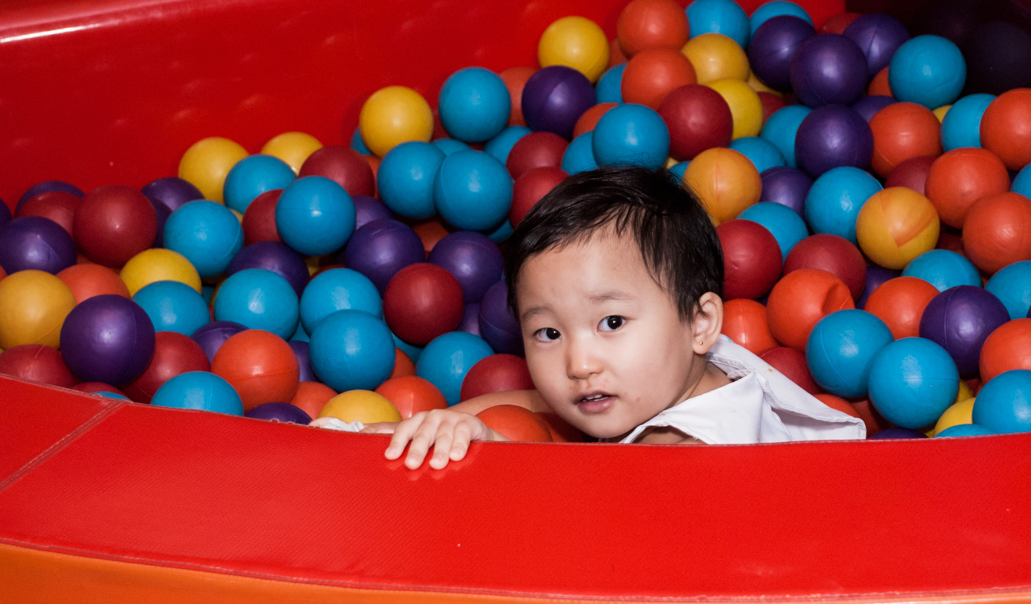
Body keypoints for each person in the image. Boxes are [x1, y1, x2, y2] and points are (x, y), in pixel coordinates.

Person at [313, 167, 864, 466]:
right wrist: (384, 431)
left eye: (612, 323)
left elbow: (595, 525)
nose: (579, 361)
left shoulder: (689, 454)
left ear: (701, 323)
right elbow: (528, 403)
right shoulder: (675, 371)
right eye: (548, 333)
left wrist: (496, 457)